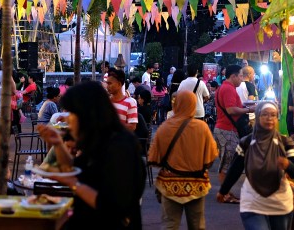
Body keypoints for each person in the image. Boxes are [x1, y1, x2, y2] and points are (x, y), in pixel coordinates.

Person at [37, 81, 145, 229]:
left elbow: (112, 206)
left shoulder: (119, 146)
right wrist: (58, 144)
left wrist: (73, 183)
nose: (67, 119)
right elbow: (73, 169)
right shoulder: (97, 141)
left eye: (71, 113)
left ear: (86, 114)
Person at [149, 90, 219, 230]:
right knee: (197, 225)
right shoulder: (202, 128)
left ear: (176, 105)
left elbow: (154, 159)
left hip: (170, 185)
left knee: (169, 225)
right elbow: (211, 158)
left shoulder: (165, 127)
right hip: (196, 184)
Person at [237, 101, 294, 230]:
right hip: (253, 202)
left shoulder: (284, 142)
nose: (269, 118)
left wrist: (287, 164)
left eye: (273, 115)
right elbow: (235, 168)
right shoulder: (247, 142)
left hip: (279, 202)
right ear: (257, 116)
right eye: (265, 114)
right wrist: (224, 190)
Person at [214, 64, 245, 190]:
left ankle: (225, 192)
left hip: (226, 129)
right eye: (241, 76)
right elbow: (231, 110)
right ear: (233, 76)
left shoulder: (225, 87)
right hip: (227, 129)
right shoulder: (228, 88)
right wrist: (249, 109)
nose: (242, 79)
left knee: (227, 162)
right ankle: (224, 193)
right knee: (226, 164)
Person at [105, 67, 138, 131]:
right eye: (107, 83)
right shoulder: (105, 102)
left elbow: (132, 126)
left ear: (119, 84)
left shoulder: (130, 103)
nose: (107, 86)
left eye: (110, 83)